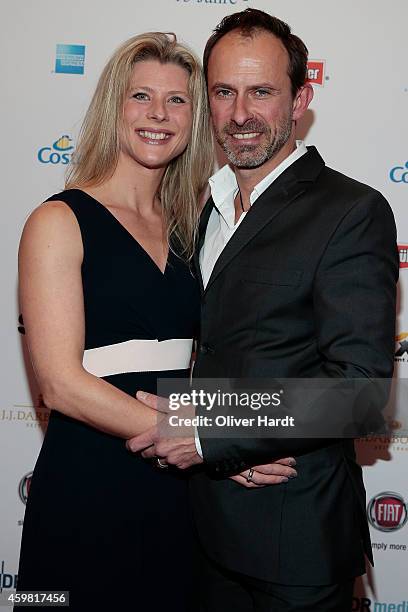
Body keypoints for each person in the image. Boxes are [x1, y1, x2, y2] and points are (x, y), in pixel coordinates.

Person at [128, 10, 399, 611]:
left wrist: (218, 434)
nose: (241, 113)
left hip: (294, 539)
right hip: (202, 524)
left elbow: (360, 391)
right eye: (224, 92)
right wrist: (217, 445)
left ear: (300, 98)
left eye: (262, 92)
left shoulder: (351, 211)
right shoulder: (207, 205)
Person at [17, 30, 296, 612]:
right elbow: (61, 384)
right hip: (85, 486)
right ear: (113, 106)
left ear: (196, 117)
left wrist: (229, 435)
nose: (158, 115)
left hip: (180, 495)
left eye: (177, 100)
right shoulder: (58, 220)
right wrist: (217, 444)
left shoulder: (194, 229)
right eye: (141, 96)